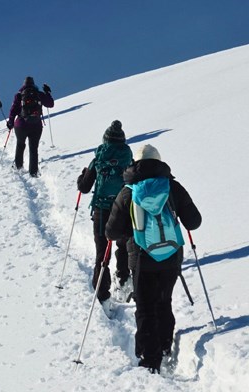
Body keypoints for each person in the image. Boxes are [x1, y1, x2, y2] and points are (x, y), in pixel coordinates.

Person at [105, 144, 202, 373]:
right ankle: (166, 346)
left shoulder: (128, 191)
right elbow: (194, 221)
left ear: (135, 164)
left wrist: (130, 230)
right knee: (164, 300)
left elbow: (111, 232)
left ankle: (149, 360)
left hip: (141, 258)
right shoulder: (172, 187)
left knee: (146, 307)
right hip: (171, 256)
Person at [77, 120, 133, 315]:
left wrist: (82, 176)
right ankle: (124, 280)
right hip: (124, 209)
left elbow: (84, 187)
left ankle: (102, 294)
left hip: (102, 209)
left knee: (102, 252)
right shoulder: (128, 157)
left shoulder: (99, 157)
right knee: (124, 245)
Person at [6, 77, 54, 177]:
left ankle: (18, 167)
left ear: (23, 84)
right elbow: (50, 104)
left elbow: (13, 110)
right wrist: (48, 93)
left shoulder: (19, 95)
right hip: (36, 125)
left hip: (21, 125)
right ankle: (33, 172)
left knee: (20, 145)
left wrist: (10, 122)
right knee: (33, 148)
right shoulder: (39, 94)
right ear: (33, 84)